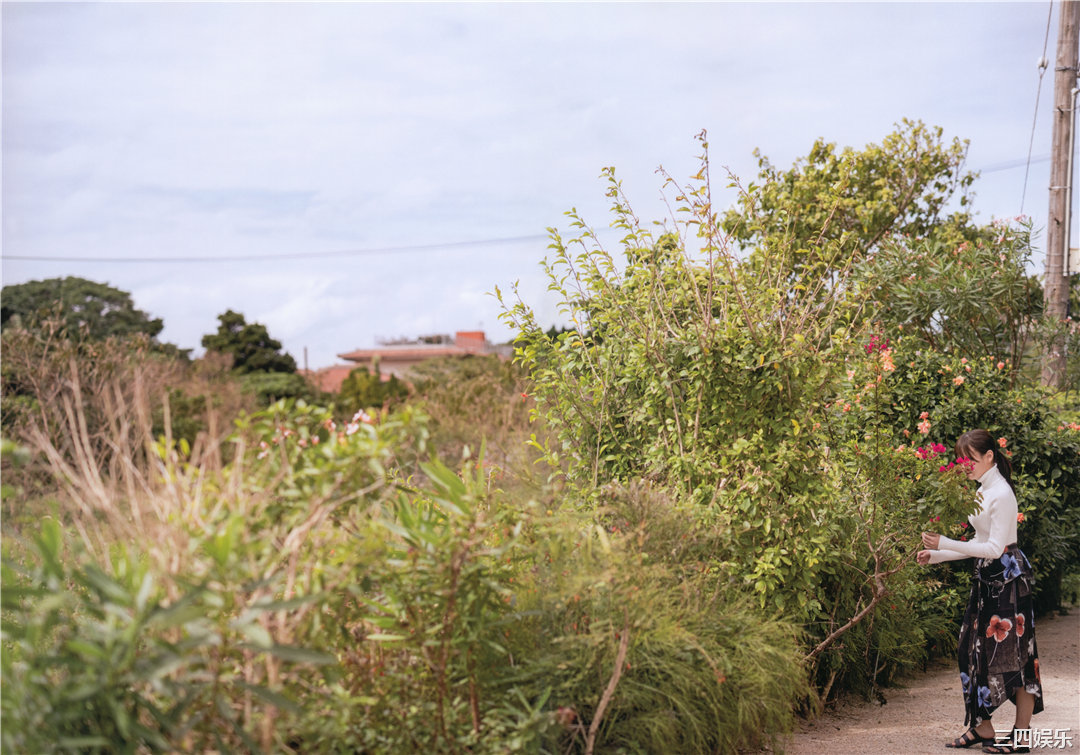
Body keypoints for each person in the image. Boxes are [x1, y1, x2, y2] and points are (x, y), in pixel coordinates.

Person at [917, 429, 1044, 753]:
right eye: (962, 460)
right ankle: (983, 728)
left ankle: (1021, 737)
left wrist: (944, 542)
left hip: (1009, 580)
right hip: (987, 578)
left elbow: (996, 547)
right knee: (968, 650)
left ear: (989, 456)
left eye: (970, 459)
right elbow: (977, 545)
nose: (965, 466)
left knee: (1017, 659)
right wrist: (937, 556)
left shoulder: (1001, 493)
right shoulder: (982, 490)